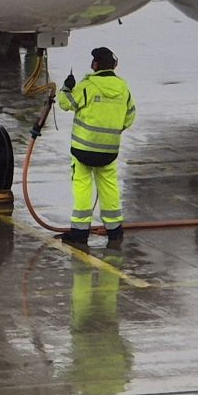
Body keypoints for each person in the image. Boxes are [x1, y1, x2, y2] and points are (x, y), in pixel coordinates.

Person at [56, 46, 135, 246]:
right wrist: (111, 131)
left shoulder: (87, 86)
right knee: (109, 186)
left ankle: (80, 233)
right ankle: (114, 230)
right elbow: (130, 117)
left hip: (83, 150)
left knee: (82, 187)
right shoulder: (123, 89)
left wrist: (66, 88)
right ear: (114, 65)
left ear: (95, 65)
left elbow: (65, 104)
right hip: (108, 150)